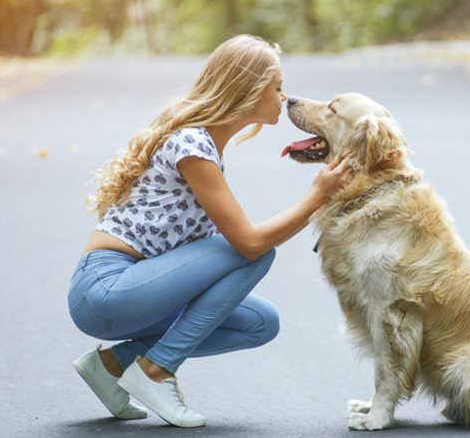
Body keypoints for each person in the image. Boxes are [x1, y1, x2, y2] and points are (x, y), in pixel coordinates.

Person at [67, 34, 351, 427]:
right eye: (277, 87)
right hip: (106, 290)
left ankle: (113, 364)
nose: (284, 97)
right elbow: (249, 243)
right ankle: (157, 371)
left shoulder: (203, 144)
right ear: (248, 91)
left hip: (139, 293)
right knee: (252, 251)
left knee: (260, 322)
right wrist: (318, 194)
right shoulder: (193, 145)